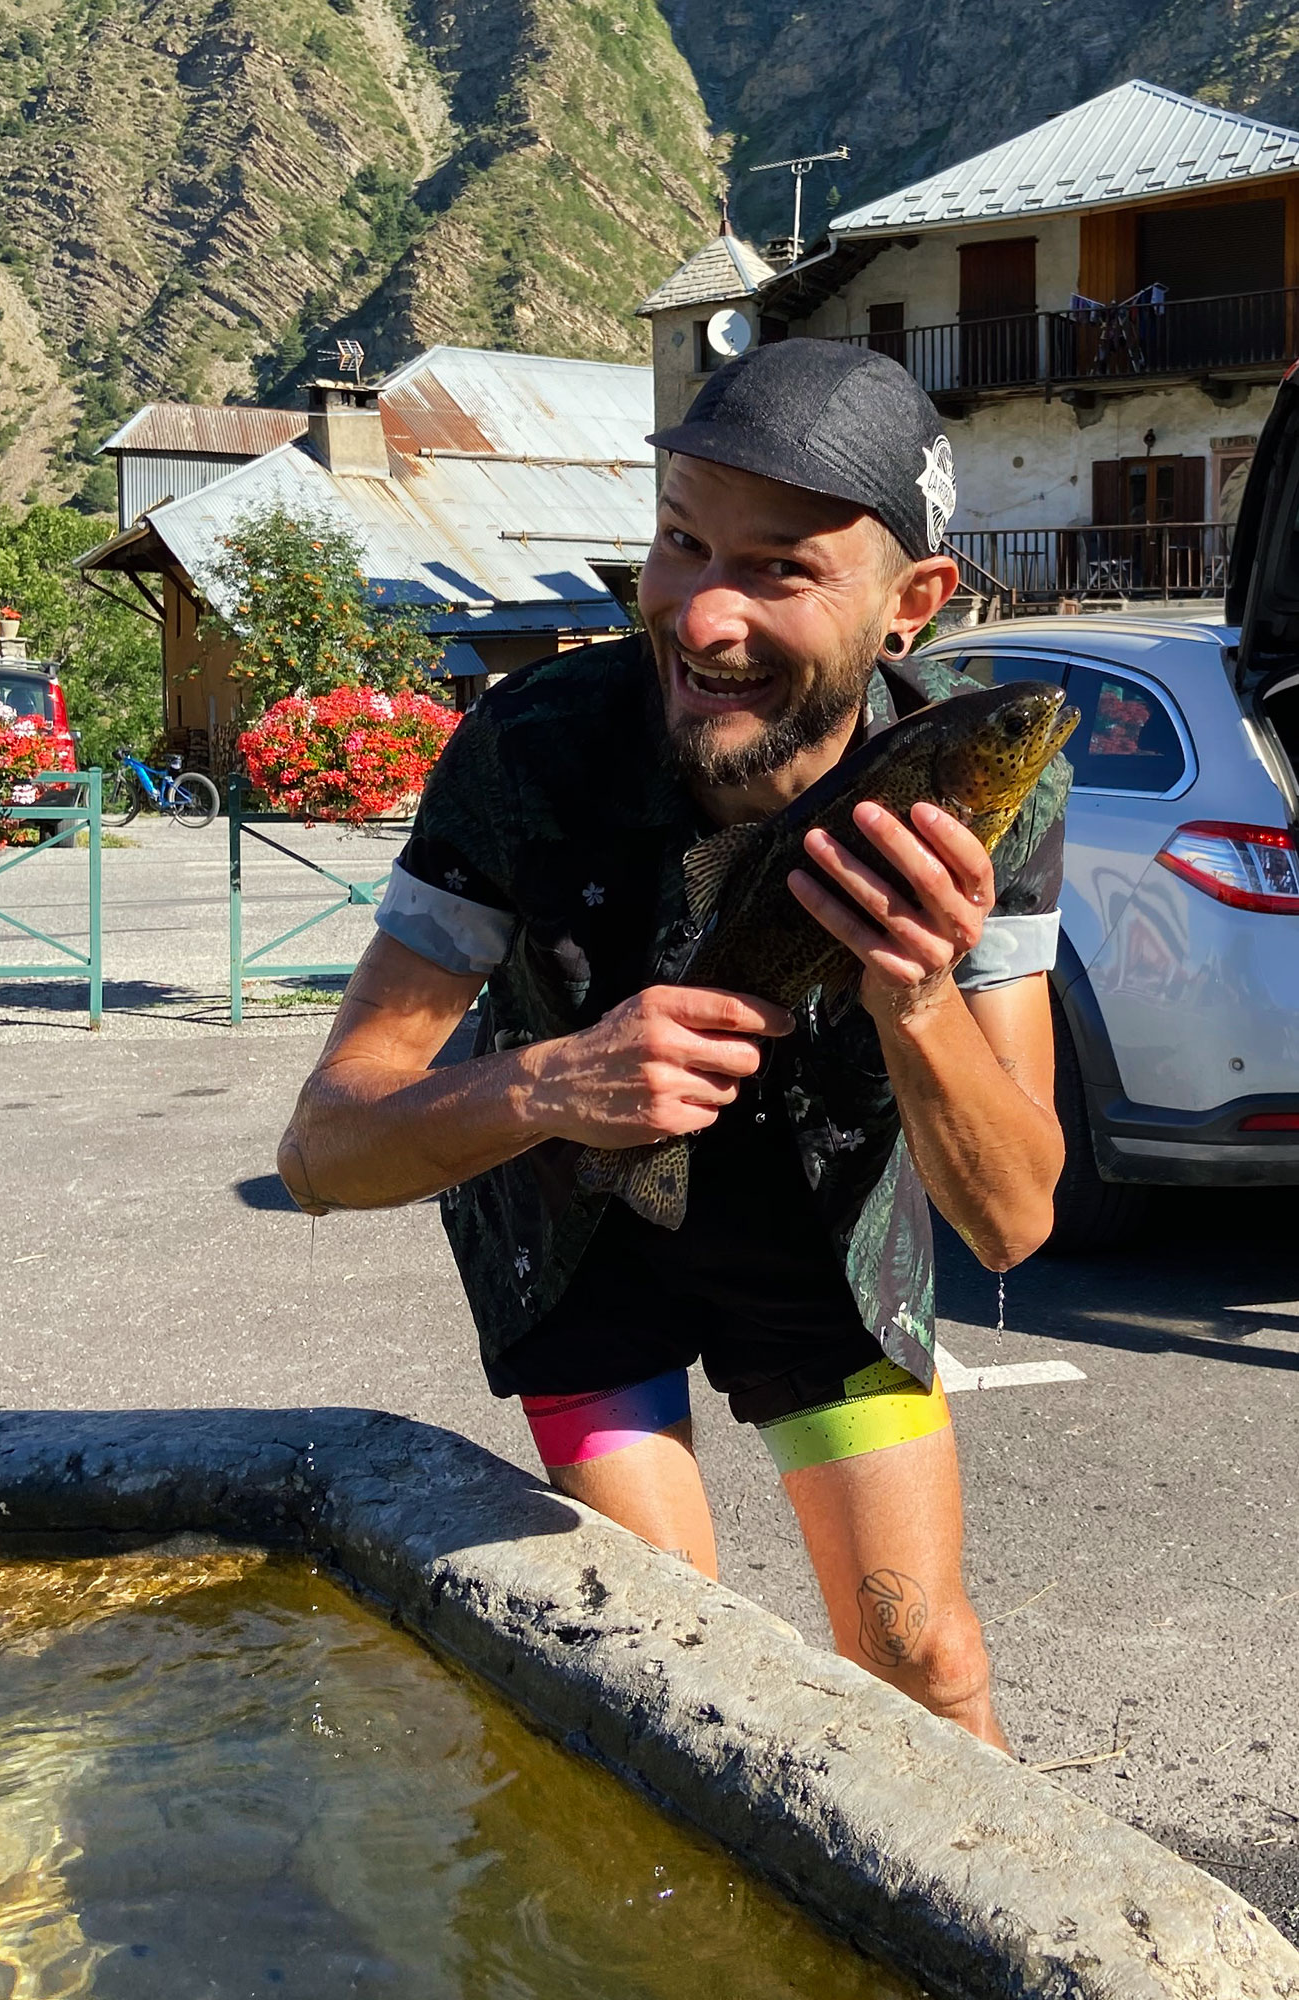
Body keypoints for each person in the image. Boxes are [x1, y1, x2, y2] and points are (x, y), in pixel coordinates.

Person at [277, 340, 1070, 1752]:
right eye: (681, 541)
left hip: (825, 1236)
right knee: (665, 1667)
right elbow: (325, 1152)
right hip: (577, 1234)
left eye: (779, 568)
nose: (702, 615)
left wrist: (916, 994)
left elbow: (1010, 1219)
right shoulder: (530, 751)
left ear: (911, 604)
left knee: (924, 1659)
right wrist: (548, 1081)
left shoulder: (982, 787)